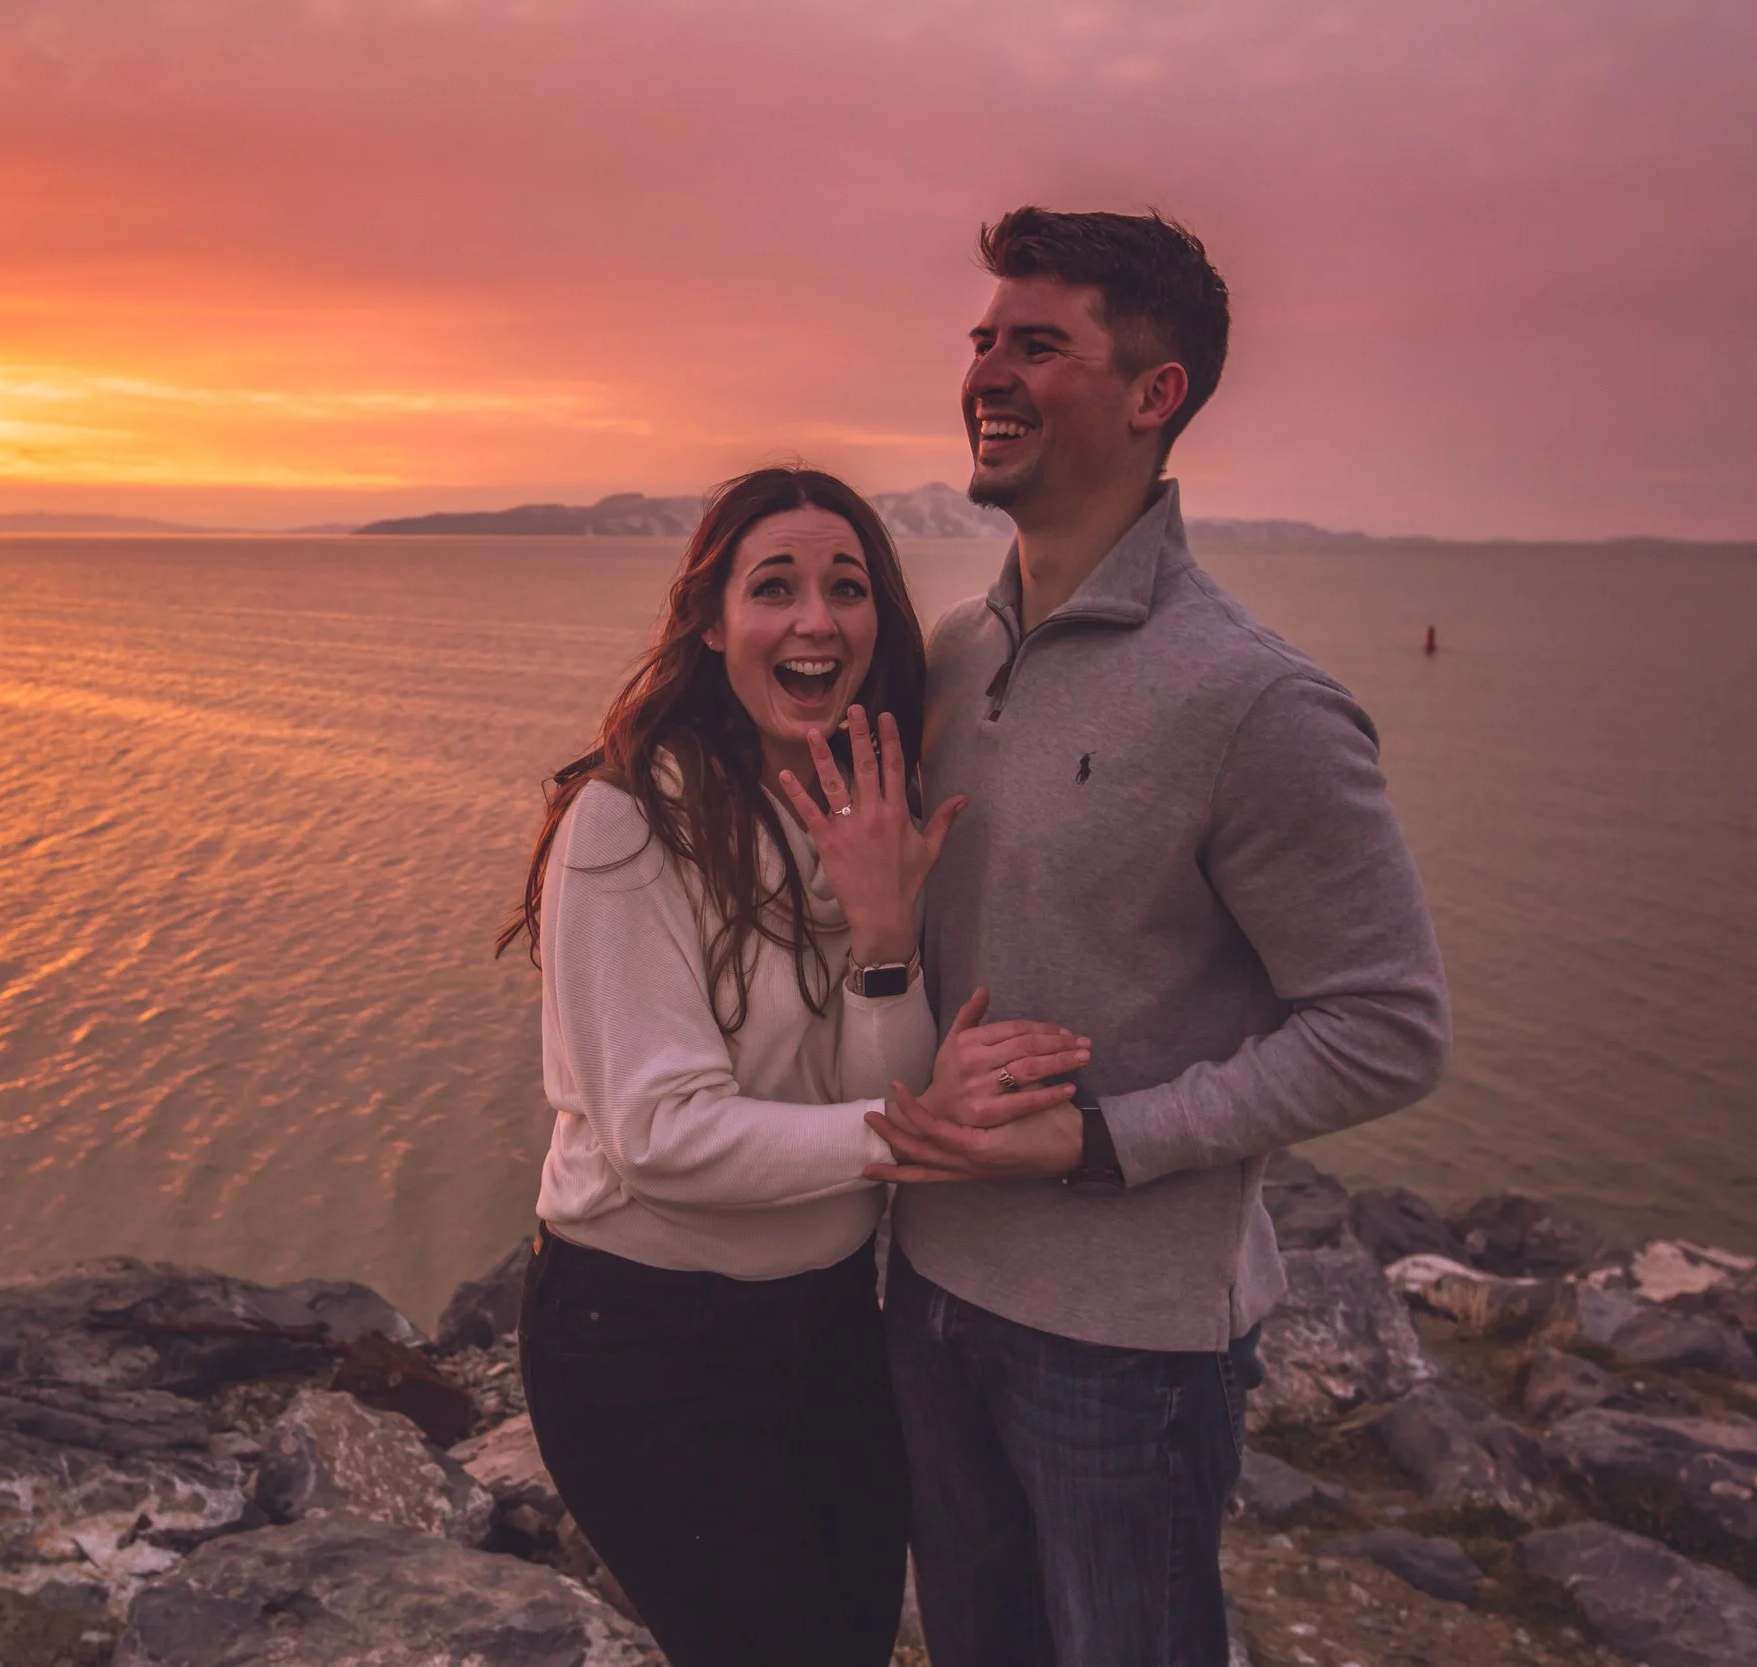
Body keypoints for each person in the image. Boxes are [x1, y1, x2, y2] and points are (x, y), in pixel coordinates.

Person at [868, 209, 1453, 1665]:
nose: (989, 371)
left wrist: (1100, 1137)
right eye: (982, 340)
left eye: (1039, 343)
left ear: (1155, 393)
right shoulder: (949, 652)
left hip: (1126, 1347)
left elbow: (1385, 1024)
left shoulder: (1255, 703)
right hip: (926, 1282)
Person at [499, 466, 1087, 1667]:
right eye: (775, 587)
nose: (816, 619)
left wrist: (883, 939)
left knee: (851, 1642)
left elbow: (887, 1089)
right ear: (710, 624)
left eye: (847, 586)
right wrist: (911, 1129)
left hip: (827, 1325)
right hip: (645, 1343)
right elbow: (662, 1136)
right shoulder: (627, 822)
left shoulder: (867, 807)